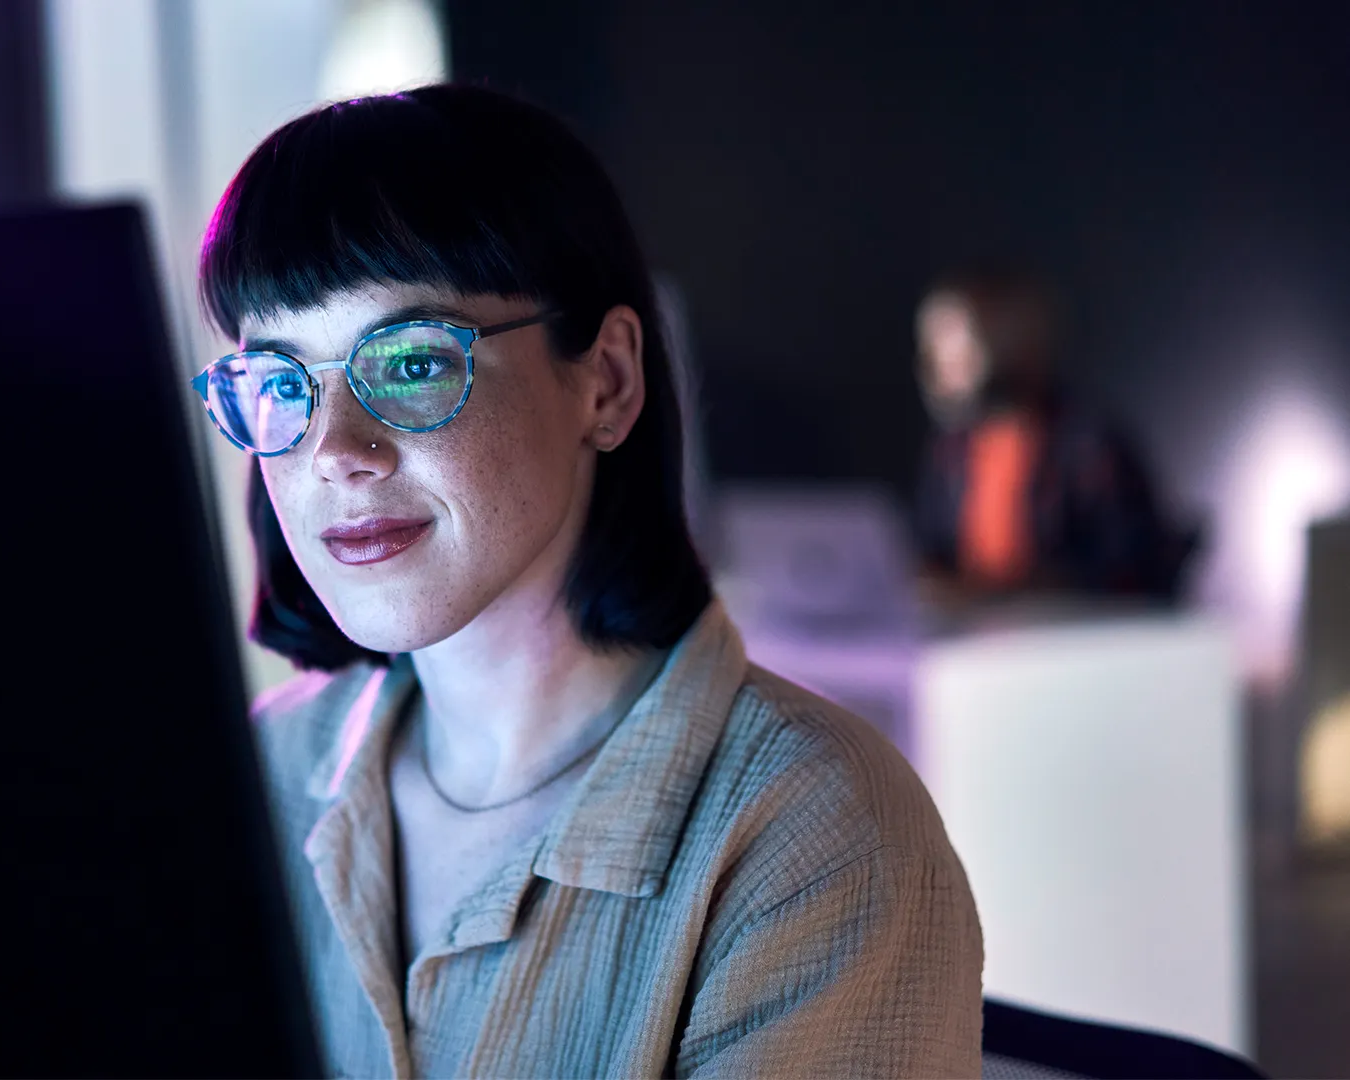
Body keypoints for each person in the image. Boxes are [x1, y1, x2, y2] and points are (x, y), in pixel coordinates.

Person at [192, 85, 982, 1077]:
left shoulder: (813, 836)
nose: (334, 450)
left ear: (605, 380)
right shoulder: (254, 780)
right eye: (277, 382)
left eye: (409, 362)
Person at [914, 266, 1192, 600]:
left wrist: (1021, 590)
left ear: (1008, 336)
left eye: (953, 341)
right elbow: (933, 551)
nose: (941, 361)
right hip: (977, 638)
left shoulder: (1088, 445)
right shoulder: (953, 452)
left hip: (1070, 638)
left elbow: (1129, 568)